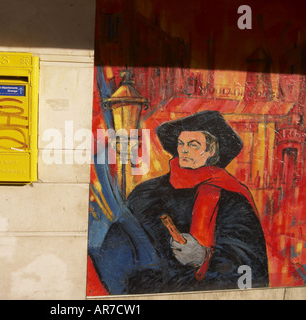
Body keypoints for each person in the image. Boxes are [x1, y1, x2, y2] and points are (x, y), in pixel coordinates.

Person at [89, 111, 269, 295]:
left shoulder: (233, 199)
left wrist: (203, 258)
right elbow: (120, 242)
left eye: (193, 144)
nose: (183, 150)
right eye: (181, 143)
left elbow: (248, 262)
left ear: (211, 150)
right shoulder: (145, 193)